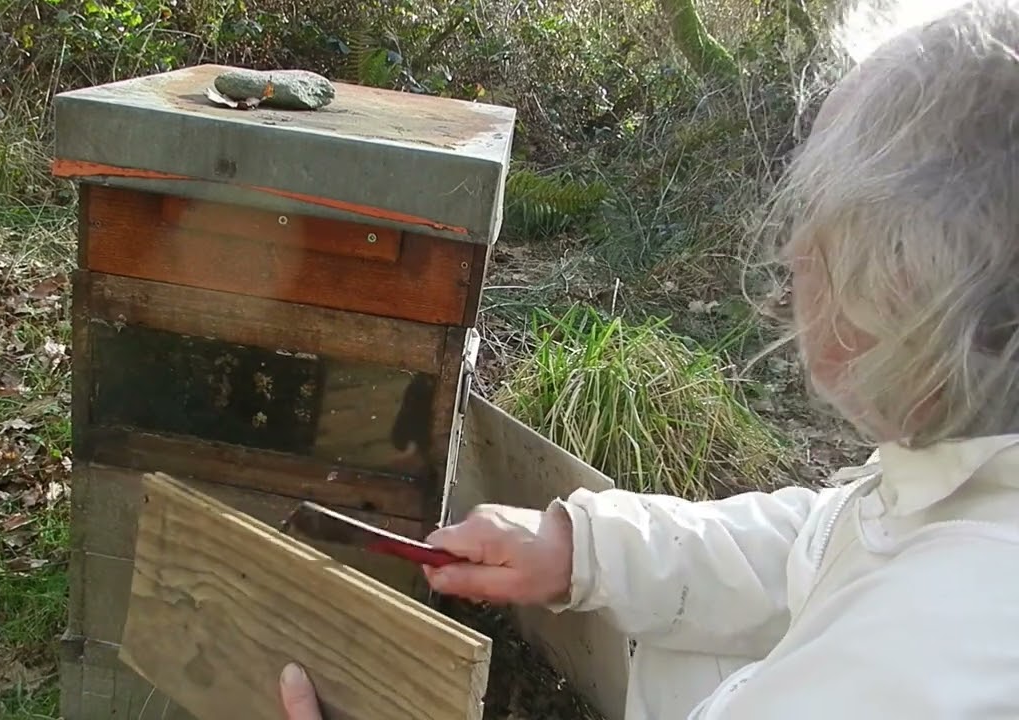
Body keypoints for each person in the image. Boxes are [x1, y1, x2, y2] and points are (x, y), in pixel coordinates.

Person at [279, 0, 1019, 717]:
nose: (797, 252)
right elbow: (828, 538)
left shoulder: (930, 666)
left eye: (830, 222)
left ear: (915, 282)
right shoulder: (967, 484)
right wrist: (581, 548)